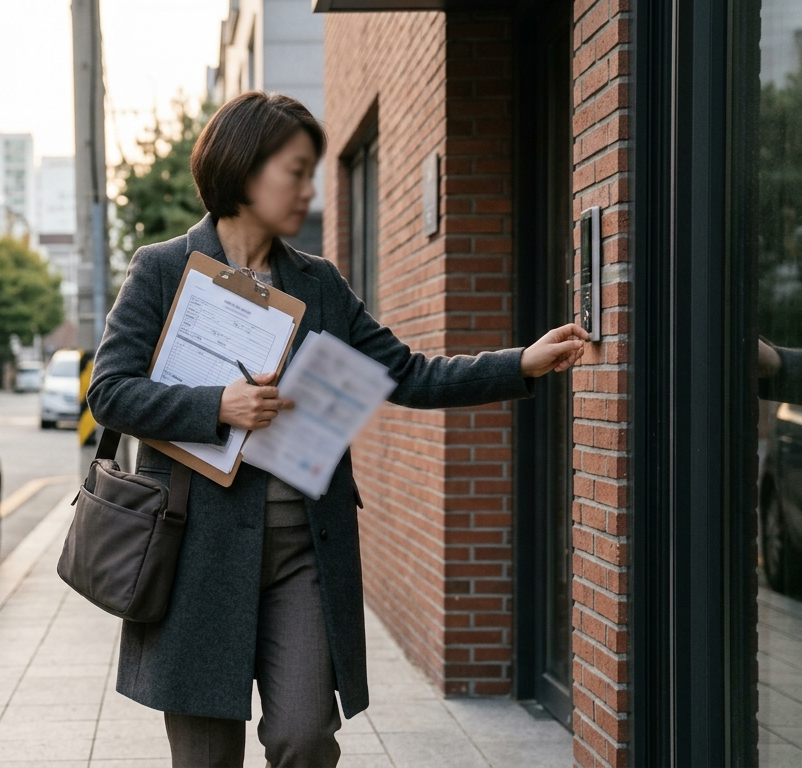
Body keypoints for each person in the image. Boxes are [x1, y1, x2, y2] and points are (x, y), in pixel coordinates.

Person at [86, 91, 588, 767]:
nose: (308, 190)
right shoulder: (162, 269)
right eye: (295, 172)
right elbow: (110, 393)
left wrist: (519, 363)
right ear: (244, 168)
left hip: (304, 549)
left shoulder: (318, 282)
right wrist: (218, 406)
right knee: (206, 757)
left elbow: (406, 374)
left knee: (305, 737)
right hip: (196, 552)